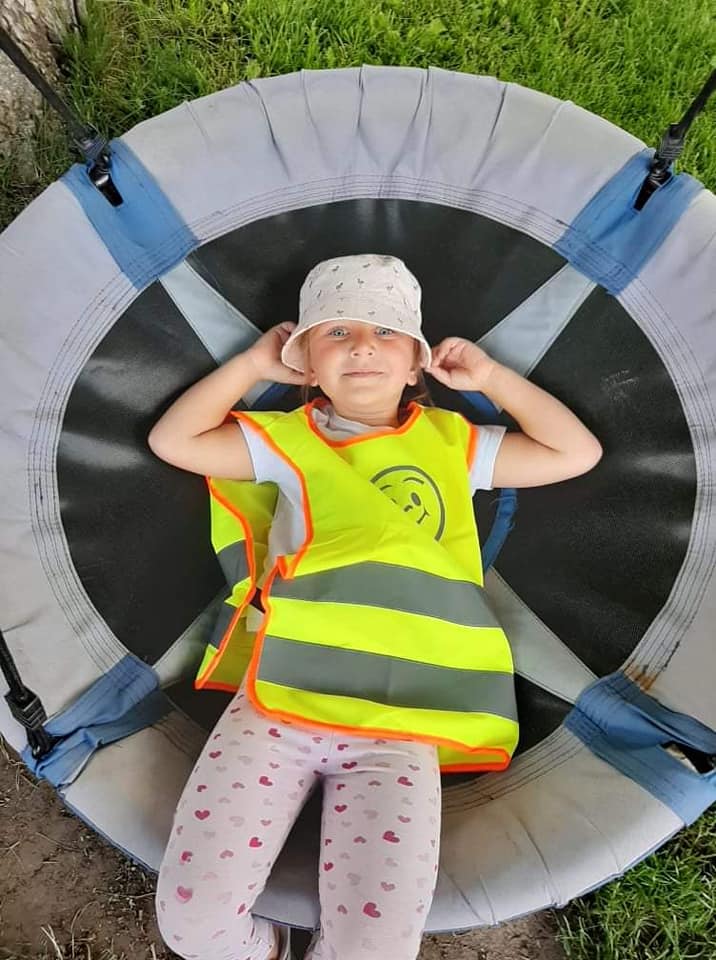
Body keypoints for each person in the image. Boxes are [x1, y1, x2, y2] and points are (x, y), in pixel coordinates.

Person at [148, 254, 602, 960]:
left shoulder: (454, 445)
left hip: (403, 720)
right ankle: (268, 949)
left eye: (386, 332)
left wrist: (492, 379)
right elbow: (174, 442)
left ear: (418, 364)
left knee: (376, 949)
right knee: (191, 926)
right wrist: (251, 367)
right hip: (283, 703)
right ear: (307, 365)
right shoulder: (288, 440)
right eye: (337, 333)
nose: (362, 345)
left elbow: (575, 452)